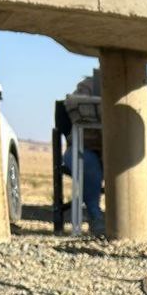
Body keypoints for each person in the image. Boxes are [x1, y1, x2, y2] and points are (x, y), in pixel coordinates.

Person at [56, 74, 105, 236]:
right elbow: (72, 102)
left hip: (111, 153)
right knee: (88, 164)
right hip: (82, 149)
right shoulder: (89, 85)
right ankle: (95, 216)